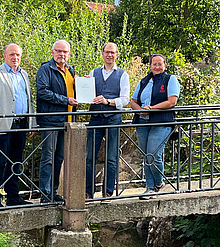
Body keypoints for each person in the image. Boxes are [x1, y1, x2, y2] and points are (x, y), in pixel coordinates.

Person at [0, 43, 36, 208]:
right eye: (12, 55)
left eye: (18, 55)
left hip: (21, 125)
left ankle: (12, 196)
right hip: (3, 124)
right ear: (4, 56)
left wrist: (32, 123)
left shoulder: (23, 74)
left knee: (16, 162)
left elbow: (29, 101)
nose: (15, 58)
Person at [130, 54, 180, 200]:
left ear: (165, 65)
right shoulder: (144, 81)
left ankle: (158, 183)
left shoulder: (170, 79)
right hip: (142, 121)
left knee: (153, 154)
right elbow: (133, 100)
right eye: (154, 64)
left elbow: (172, 101)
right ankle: (149, 188)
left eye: (160, 64)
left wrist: (152, 108)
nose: (157, 67)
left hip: (161, 122)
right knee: (146, 156)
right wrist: (140, 110)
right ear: (150, 65)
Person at [85, 42, 130, 202]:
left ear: (117, 54)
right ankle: (88, 192)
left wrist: (108, 101)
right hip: (96, 118)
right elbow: (87, 94)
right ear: (102, 53)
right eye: (107, 52)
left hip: (113, 119)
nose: (109, 55)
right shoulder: (94, 72)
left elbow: (125, 100)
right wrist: (83, 85)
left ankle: (108, 192)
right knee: (90, 156)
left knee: (111, 157)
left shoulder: (123, 75)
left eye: (113, 52)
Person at [36, 40, 78, 203]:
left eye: (65, 52)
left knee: (59, 157)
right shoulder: (46, 69)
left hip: (66, 121)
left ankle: (53, 192)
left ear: (69, 53)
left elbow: (74, 93)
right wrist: (65, 100)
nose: (62, 54)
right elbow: (43, 92)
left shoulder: (70, 70)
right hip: (50, 120)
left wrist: (83, 84)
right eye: (59, 51)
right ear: (52, 52)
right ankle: (45, 194)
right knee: (48, 157)